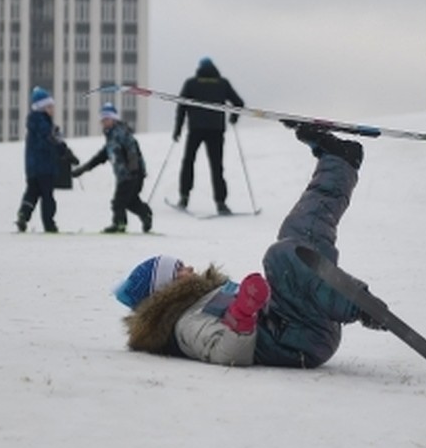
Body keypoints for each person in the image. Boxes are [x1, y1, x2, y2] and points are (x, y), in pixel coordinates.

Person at [114, 125, 387, 368]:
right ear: (165, 289)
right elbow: (224, 352)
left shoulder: (200, 298)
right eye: (178, 269)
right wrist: (241, 314)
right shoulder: (186, 323)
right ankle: (358, 305)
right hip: (298, 341)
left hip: (298, 324)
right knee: (280, 257)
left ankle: (339, 162)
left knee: (296, 235)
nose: (189, 267)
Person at [172, 57, 244, 215]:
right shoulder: (222, 83)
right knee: (216, 166)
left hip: (196, 129)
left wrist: (177, 129)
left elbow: (181, 107)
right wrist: (234, 117)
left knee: (188, 162)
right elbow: (239, 103)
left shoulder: (191, 83)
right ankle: (221, 203)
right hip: (216, 129)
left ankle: (184, 197)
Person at [72, 102, 155, 234]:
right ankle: (146, 214)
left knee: (119, 201)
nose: (104, 122)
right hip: (124, 175)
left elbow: (132, 149)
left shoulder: (121, 132)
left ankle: (119, 224)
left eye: (107, 119)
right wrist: (82, 170)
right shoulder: (110, 139)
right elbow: (99, 158)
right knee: (130, 201)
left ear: (114, 119)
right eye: (102, 120)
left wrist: (133, 170)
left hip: (132, 174)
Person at [16, 87, 73, 233]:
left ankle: (23, 215)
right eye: (49, 106)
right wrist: (65, 151)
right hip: (45, 168)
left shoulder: (33, 124)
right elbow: (51, 141)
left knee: (32, 193)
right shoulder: (44, 124)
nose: (52, 109)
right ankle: (49, 224)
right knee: (47, 197)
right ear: (42, 108)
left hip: (32, 169)